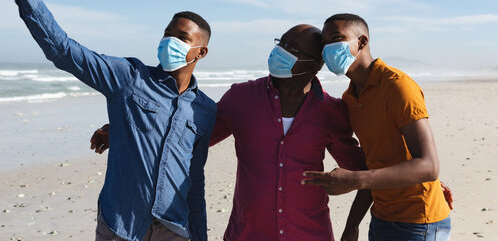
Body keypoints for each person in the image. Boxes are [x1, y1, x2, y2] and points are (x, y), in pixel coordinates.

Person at [2, 0, 216, 241]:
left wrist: (200, 234)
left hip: (174, 227)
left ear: (200, 52)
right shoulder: (129, 78)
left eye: (181, 37)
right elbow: (64, 51)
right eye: (167, 34)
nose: (170, 42)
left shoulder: (204, 109)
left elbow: (194, 179)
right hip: (122, 224)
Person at [92, 24, 373, 241]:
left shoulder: (331, 112)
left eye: (293, 48)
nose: (280, 51)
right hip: (245, 234)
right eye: (281, 43)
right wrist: (122, 132)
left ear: (313, 65)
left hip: (311, 234)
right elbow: (187, 134)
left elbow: (362, 174)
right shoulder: (242, 98)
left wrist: (351, 226)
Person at [302, 13, 452, 240]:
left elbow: (429, 166)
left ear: (361, 42)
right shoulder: (350, 98)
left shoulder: (397, 87)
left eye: (336, 38)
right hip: (381, 217)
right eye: (324, 43)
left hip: (420, 222)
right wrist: (352, 225)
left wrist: (355, 179)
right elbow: (374, 164)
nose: (329, 48)